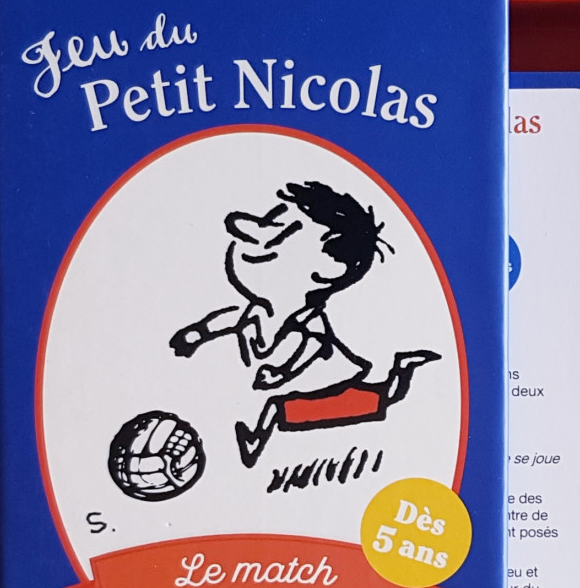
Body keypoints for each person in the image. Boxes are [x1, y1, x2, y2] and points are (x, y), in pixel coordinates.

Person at [170, 180, 439, 467]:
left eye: (279, 234)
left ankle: (403, 367)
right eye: (265, 224)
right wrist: (198, 332)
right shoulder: (258, 310)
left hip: (326, 379)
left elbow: (311, 346)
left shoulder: (310, 323)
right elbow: (229, 318)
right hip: (281, 382)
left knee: (372, 398)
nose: (250, 236)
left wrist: (281, 373)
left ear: (328, 269)